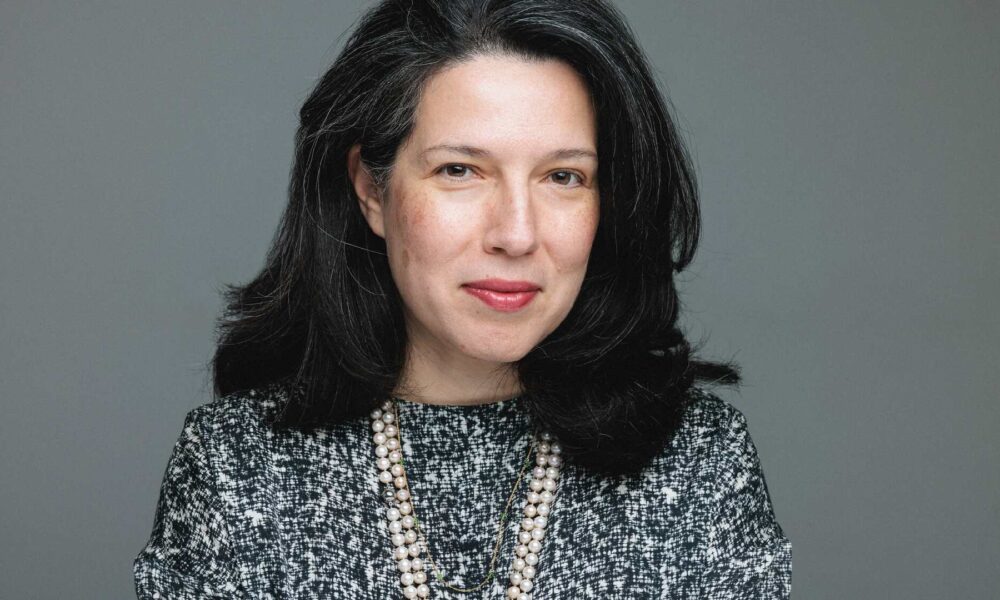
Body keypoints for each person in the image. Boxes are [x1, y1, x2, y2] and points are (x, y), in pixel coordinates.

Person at [133, 0, 792, 598]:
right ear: (371, 189)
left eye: (563, 176)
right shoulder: (235, 469)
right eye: (460, 170)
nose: (516, 234)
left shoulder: (700, 465)